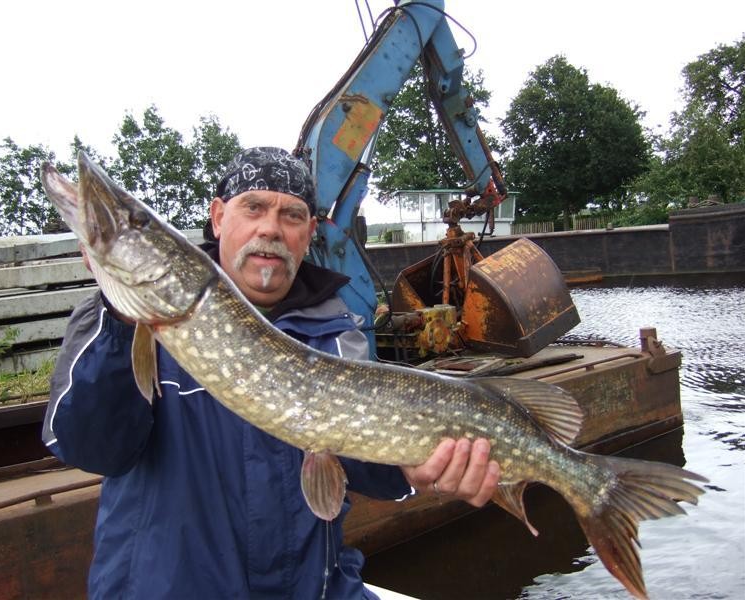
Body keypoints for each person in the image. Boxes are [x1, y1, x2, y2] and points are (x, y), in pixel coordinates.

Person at [42, 147, 500, 599]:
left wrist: (419, 471)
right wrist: (121, 324)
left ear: (310, 233)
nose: (270, 229)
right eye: (254, 207)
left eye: (292, 215)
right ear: (219, 217)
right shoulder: (113, 325)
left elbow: (370, 468)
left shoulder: (339, 335)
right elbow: (91, 448)